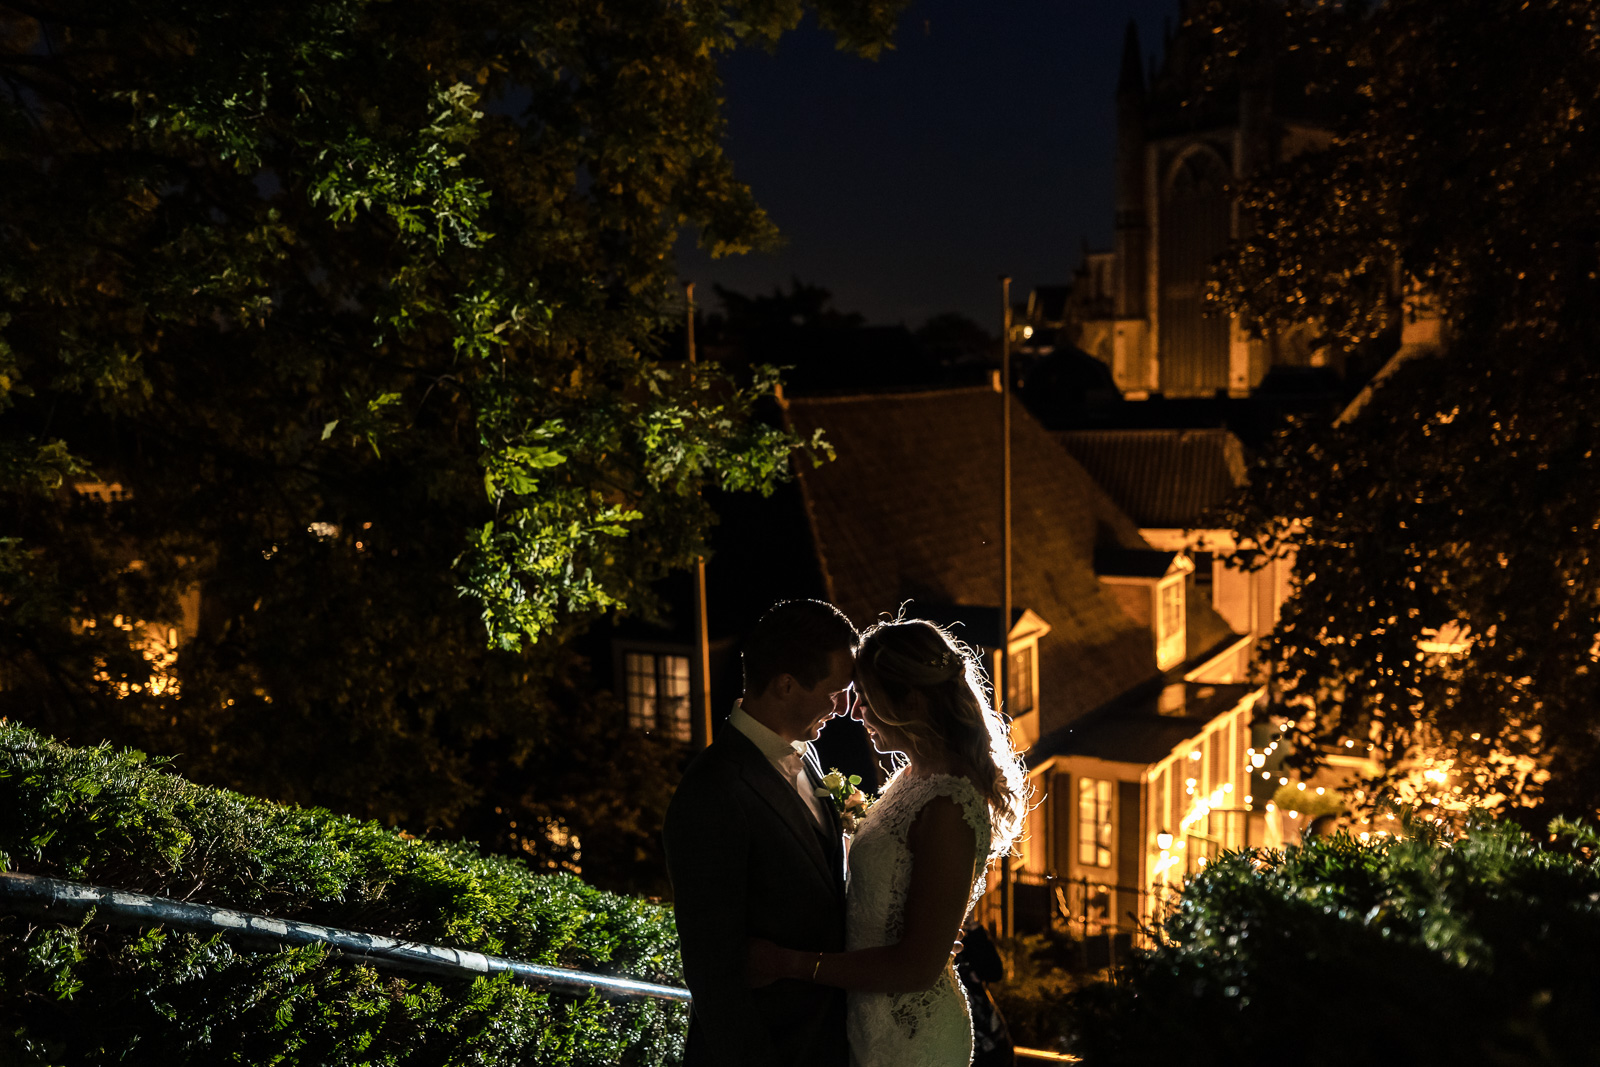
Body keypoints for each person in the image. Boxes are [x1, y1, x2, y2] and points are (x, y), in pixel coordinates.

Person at [747, 618, 1030, 1067]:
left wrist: (788, 963)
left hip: (911, 1038)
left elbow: (917, 968)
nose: (856, 713)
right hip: (864, 1020)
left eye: (866, 698)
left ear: (911, 700)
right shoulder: (914, 776)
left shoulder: (949, 805)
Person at [663, 599, 860, 1067]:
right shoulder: (713, 790)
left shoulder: (804, 757)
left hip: (827, 1043)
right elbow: (715, 973)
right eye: (834, 694)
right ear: (787, 685)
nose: (842, 709)